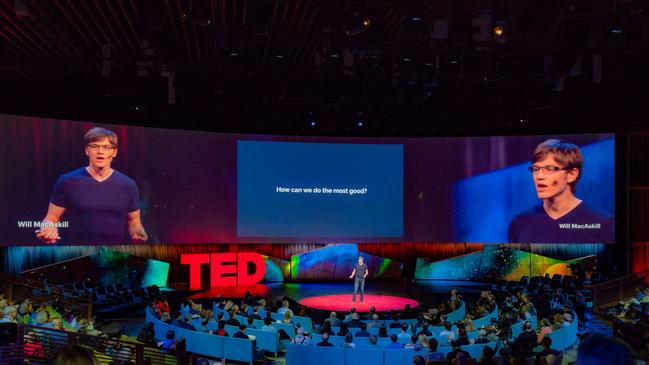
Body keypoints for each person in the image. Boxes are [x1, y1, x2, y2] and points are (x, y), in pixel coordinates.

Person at [36, 127, 148, 244]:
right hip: (76, 252)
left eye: (106, 147)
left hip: (112, 254)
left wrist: (139, 232)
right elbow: (51, 218)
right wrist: (48, 229)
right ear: (86, 150)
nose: (100, 151)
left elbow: (134, 222)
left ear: (114, 152)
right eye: (94, 146)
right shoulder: (67, 181)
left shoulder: (128, 184)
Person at [508, 139, 614, 244]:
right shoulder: (520, 223)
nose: (539, 176)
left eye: (549, 169)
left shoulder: (603, 223)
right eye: (535, 169)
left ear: (571, 175)